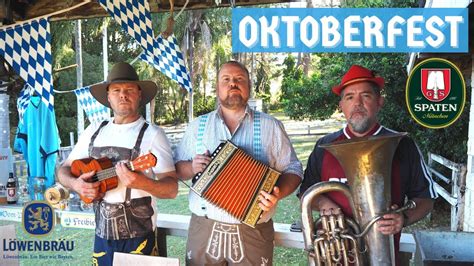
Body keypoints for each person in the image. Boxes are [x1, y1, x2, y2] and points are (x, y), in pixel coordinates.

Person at [299, 64, 438, 263]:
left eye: (366, 96)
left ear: (379, 101)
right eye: (349, 97)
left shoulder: (403, 145)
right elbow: (305, 192)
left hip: (385, 257)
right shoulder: (324, 146)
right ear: (341, 106)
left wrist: (404, 218)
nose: (357, 103)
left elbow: (426, 198)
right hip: (337, 257)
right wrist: (322, 202)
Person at [174, 61, 303, 265]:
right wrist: (191, 167)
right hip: (204, 227)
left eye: (239, 79)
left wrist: (278, 192)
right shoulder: (197, 126)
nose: (233, 84)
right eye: (226, 79)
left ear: (249, 87)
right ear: (217, 88)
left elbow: (294, 168)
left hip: (254, 231)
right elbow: (176, 170)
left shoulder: (272, 126)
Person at [57, 62, 178, 265]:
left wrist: (141, 183)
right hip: (102, 237)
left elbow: (172, 188)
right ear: (108, 96)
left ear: (139, 94)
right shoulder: (94, 130)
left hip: (140, 238)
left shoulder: (153, 134)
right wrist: (76, 184)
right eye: (117, 90)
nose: (123, 95)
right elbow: (63, 170)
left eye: (129, 89)